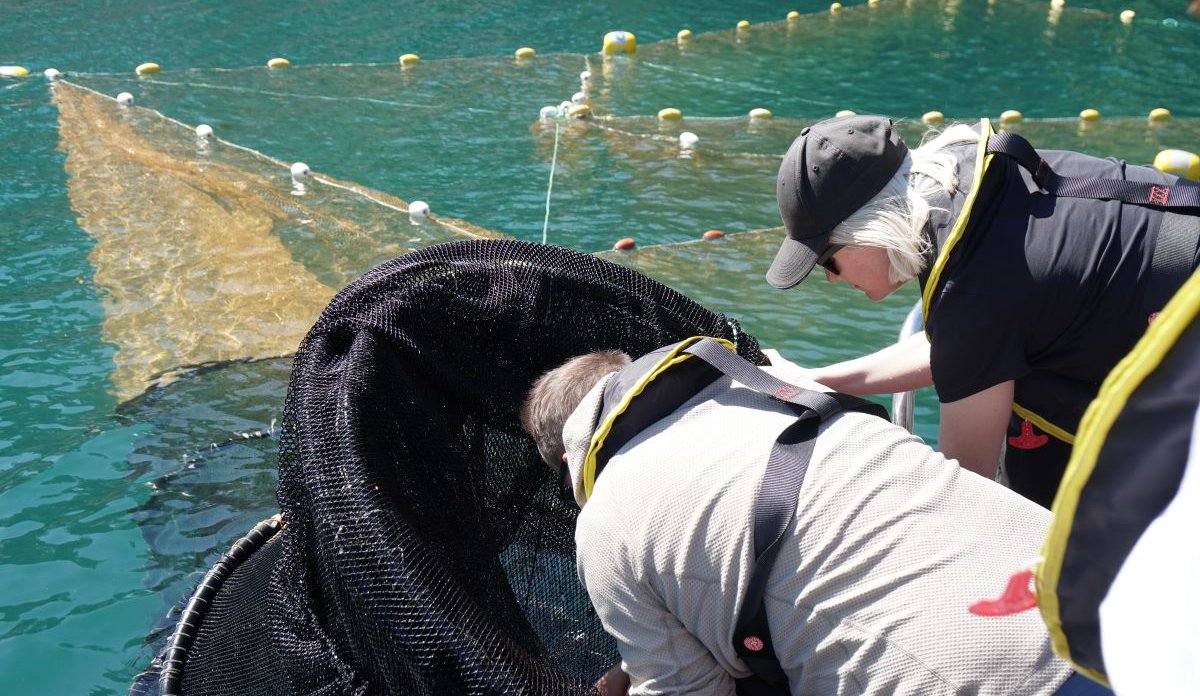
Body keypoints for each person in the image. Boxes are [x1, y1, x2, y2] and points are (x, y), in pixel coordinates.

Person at [520, 339, 1110, 695]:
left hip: (984, 676)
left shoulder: (604, 522)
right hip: (1115, 601)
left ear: (572, 459)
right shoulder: (776, 386)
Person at [765, 114, 1200, 507]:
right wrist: (816, 381)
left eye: (827, 259)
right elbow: (964, 350)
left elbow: (968, 491)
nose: (832, 278)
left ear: (870, 229)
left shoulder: (970, 286)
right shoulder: (972, 184)